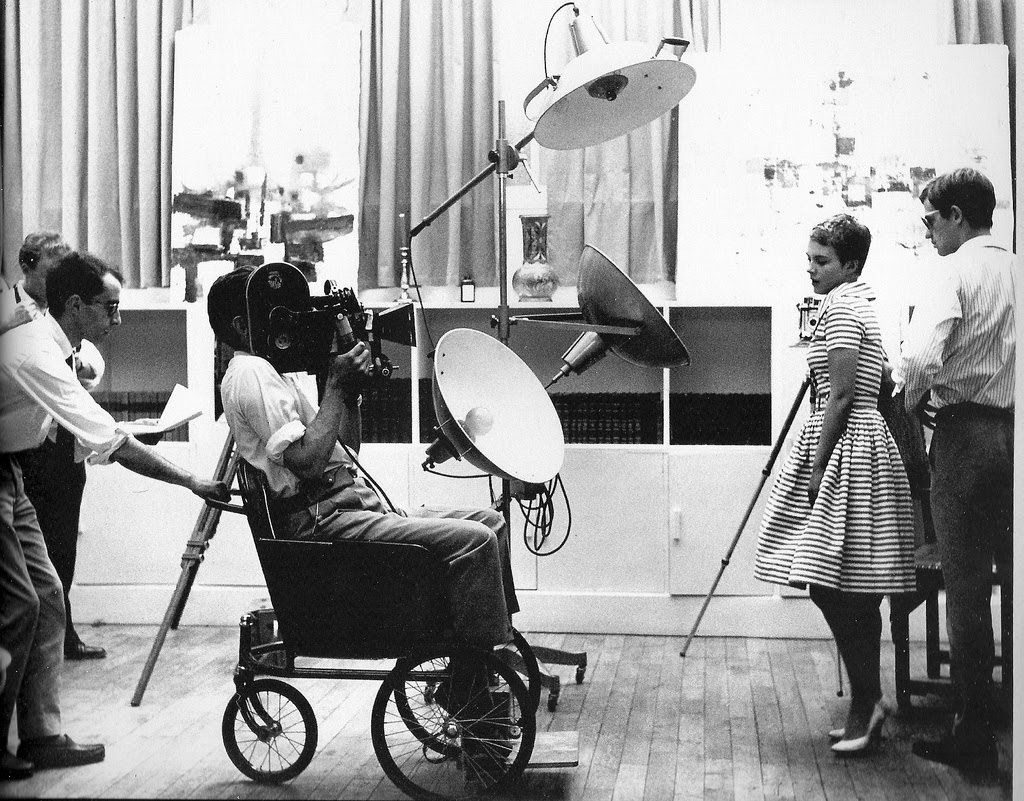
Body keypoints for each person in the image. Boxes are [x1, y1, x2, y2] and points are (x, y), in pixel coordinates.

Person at [0, 251, 229, 781]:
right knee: (19, 604)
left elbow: (97, 430)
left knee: (49, 599)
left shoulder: (62, 348)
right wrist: (191, 480)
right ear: (75, 305)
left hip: (13, 471)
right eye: (111, 308)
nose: (118, 320)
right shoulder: (35, 352)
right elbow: (108, 439)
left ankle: (41, 734)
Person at [206, 267, 519, 649]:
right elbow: (307, 464)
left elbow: (347, 448)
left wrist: (346, 387)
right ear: (241, 325)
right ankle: (480, 675)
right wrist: (335, 384)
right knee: (476, 540)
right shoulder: (250, 372)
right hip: (325, 520)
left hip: (347, 507)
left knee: (491, 522)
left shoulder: (270, 371)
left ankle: (478, 662)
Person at [754, 214, 916, 754]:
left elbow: (843, 397)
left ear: (849, 263)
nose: (812, 271)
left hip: (848, 447)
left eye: (822, 262)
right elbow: (885, 378)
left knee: (836, 583)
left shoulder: (843, 305)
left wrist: (819, 464)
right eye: (809, 260)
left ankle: (867, 702)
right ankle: (869, 699)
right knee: (841, 581)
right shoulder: (860, 302)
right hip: (861, 441)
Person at [898, 168, 1014, 774]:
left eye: (930, 221)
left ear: (956, 217)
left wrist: (913, 399)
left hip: (966, 434)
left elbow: (919, 357)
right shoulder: (1016, 269)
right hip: (1014, 433)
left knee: (966, 591)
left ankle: (973, 735)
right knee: (1012, 583)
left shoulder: (954, 271)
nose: (928, 235)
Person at [15, 232, 108, 660]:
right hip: (28, 451)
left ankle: (61, 631)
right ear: (29, 265)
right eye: (52, 272)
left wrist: (83, 366)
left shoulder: (63, 326)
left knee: (62, 547)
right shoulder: (14, 320)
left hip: (65, 445)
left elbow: (89, 369)